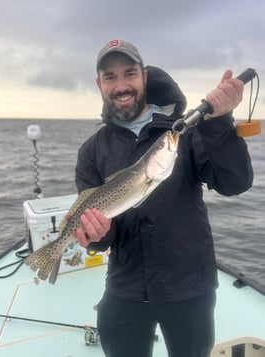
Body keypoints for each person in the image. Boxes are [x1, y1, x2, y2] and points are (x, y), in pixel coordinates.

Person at [74, 39, 253, 357]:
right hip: (125, 285)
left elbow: (234, 183)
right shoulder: (92, 150)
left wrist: (221, 122)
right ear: (99, 84)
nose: (121, 85)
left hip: (189, 287)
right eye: (110, 77)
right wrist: (96, 238)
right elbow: (101, 233)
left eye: (129, 73)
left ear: (144, 76)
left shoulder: (181, 132)